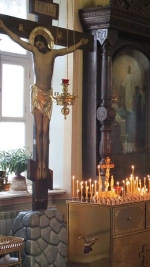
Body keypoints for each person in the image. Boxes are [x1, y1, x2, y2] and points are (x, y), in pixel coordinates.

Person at [0, 19, 88, 180]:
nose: (39, 45)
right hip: (37, 93)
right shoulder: (33, 51)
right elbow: (18, 40)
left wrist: (80, 43)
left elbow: (67, 51)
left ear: (46, 43)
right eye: (37, 43)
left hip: (47, 95)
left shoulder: (53, 54)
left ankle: (43, 163)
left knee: (45, 131)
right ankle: (39, 163)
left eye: (41, 43)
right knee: (39, 130)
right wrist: (4, 27)